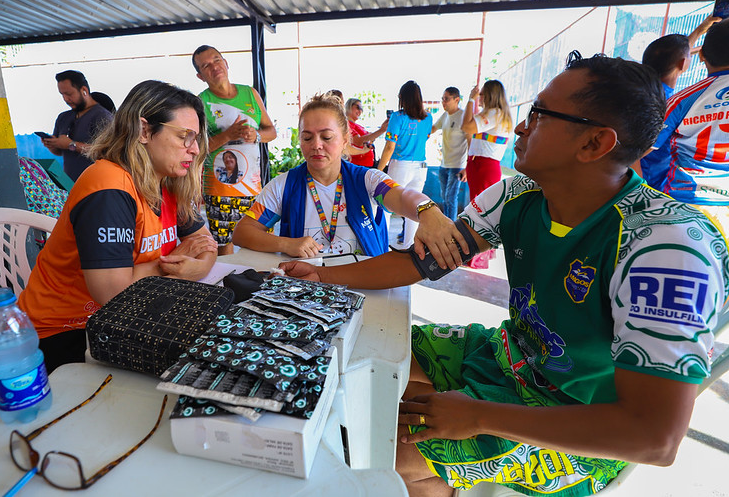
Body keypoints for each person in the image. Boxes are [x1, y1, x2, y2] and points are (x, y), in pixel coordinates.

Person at [279, 52, 729, 497]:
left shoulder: (666, 247)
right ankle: (439, 472)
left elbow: (653, 437)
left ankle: (433, 471)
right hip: (507, 357)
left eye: (538, 114)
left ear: (594, 143)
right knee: (361, 358)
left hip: (575, 419)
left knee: (375, 444)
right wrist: (321, 279)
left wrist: (478, 416)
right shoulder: (517, 194)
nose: (519, 126)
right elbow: (420, 261)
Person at [18, 80, 218, 372]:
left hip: (129, 313)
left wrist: (195, 266)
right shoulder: (109, 186)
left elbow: (206, 244)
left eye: (197, 139)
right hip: (62, 331)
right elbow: (113, 294)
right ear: (144, 130)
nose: (195, 150)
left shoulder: (168, 182)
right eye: (185, 137)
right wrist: (175, 269)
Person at [233, 93, 451, 258]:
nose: (316, 145)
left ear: (346, 139)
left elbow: (401, 197)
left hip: (363, 285)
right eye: (307, 138)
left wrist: (427, 210)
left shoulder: (367, 180)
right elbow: (242, 232)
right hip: (306, 290)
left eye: (326, 137)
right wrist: (285, 244)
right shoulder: (283, 186)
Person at [640, 17, 729, 231]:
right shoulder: (667, 97)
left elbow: (635, 154)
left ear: (702, 56)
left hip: (681, 203)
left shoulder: (678, 100)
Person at [191, 45, 277, 255]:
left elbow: (271, 131)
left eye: (217, 60)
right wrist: (228, 135)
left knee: (262, 245)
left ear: (226, 63)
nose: (214, 67)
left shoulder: (250, 93)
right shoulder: (200, 103)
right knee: (224, 251)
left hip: (254, 189)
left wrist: (256, 135)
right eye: (206, 65)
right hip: (220, 191)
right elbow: (196, 147)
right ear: (200, 76)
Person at [461, 80, 513, 268]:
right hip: (482, 164)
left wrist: (470, 101)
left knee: (481, 211)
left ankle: (478, 256)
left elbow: (466, 127)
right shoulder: (497, 114)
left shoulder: (494, 114)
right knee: (483, 209)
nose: (480, 97)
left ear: (490, 95)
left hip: (484, 165)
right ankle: (480, 254)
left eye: (482, 94)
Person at [377, 80, 433, 247]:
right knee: (414, 209)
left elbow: (389, 147)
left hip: (400, 165)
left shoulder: (397, 117)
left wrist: (379, 170)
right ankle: (409, 246)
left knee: (385, 205)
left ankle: (382, 246)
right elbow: (425, 138)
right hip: (421, 167)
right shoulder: (428, 117)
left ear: (402, 98)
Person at [41, 70, 113, 181]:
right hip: (70, 186)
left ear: (84, 90)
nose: (65, 99)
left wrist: (71, 144)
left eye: (69, 94)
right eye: (62, 94)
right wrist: (53, 144)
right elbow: (60, 151)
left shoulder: (102, 117)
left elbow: (106, 153)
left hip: (97, 184)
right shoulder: (63, 118)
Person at [642, 15, 721, 98]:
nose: (691, 54)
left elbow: (679, 52)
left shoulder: (644, 88)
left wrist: (700, 30)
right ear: (682, 64)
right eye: (690, 55)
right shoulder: (665, 102)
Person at [431, 87, 469, 219]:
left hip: (457, 165)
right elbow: (432, 129)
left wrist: (467, 167)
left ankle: (451, 228)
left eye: (446, 99)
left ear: (456, 99)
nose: (443, 102)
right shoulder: (445, 115)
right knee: (445, 199)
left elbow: (471, 142)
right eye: (442, 99)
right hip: (444, 165)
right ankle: (447, 225)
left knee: (450, 199)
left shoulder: (464, 116)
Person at [345, 97, 388, 167]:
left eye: (361, 109)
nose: (360, 111)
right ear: (349, 106)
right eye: (358, 107)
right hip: (359, 166)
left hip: (366, 164)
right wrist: (381, 130)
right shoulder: (347, 124)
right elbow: (358, 141)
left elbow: (366, 140)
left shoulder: (358, 126)